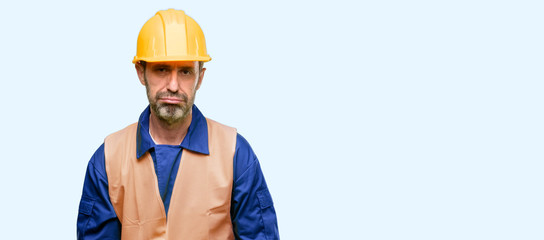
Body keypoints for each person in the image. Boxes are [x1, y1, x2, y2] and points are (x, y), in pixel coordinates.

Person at [76, 9, 279, 240]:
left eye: (185, 72)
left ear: (200, 78)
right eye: (161, 69)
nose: (173, 85)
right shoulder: (108, 159)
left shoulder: (236, 154)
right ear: (141, 73)